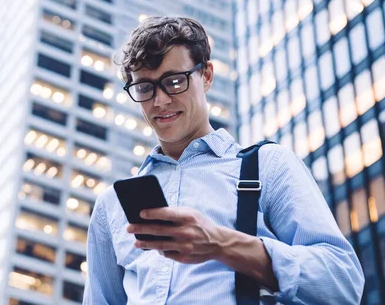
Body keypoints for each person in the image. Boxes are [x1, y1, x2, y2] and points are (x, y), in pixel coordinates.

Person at [83, 16, 364, 304]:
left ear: (206, 75)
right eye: (144, 88)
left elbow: (343, 282)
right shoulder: (111, 205)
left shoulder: (268, 165)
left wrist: (221, 243)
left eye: (174, 81)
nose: (160, 101)